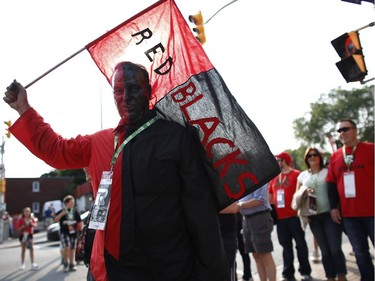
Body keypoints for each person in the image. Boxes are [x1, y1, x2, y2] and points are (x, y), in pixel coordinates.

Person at [3, 61, 227, 281]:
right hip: (111, 270)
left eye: (133, 89)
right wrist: (24, 108)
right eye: (118, 91)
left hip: (168, 268)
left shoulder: (176, 137)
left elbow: (201, 214)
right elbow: (56, 150)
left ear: (148, 91)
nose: (125, 97)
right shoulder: (100, 142)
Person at [326, 119, 374, 281]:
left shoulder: (371, 149)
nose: (342, 133)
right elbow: (331, 184)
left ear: (355, 130)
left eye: (345, 129)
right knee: (360, 252)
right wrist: (333, 208)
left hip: (372, 211)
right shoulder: (335, 156)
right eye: (339, 131)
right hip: (350, 215)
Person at [297, 147, 347, 281]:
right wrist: (304, 193)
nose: (312, 157)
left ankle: (341, 276)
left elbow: (336, 190)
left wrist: (336, 208)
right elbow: (297, 196)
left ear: (320, 157)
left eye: (315, 155)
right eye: (309, 156)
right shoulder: (303, 176)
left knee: (335, 249)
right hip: (313, 217)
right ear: (306, 159)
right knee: (325, 251)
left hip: (329, 215)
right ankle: (330, 277)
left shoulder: (328, 171)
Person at [268, 151, 312, 281]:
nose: (277, 163)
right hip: (281, 220)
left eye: (279, 160)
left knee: (301, 246)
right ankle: (288, 274)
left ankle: (305, 272)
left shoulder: (296, 175)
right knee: (285, 247)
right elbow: (270, 197)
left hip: (295, 217)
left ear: (285, 161)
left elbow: (302, 194)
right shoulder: (274, 178)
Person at [238, 183, 276, 281]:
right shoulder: (241, 179)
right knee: (256, 255)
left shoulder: (259, 177)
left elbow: (260, 200)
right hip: (246, 219)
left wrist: (239, 206)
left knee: (265, 254)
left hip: (259, 217)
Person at [54, 195, 83, 272]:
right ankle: (66, 264)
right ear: (66, 203)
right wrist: (62, 214)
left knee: (72, 249)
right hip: (64, 232)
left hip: (73, 233)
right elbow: (56, 219)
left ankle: (72, 264)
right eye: (71, 202)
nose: (72, 203)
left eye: (73, 202)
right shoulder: (61, 211)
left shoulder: (75, 212)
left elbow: (80, 222)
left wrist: (81, 231)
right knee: (67, 247)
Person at [236, 212, 253, 281]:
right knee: (231, 255)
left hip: (238, 223)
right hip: (229, 224)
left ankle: (248, 275)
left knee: (244, 252)